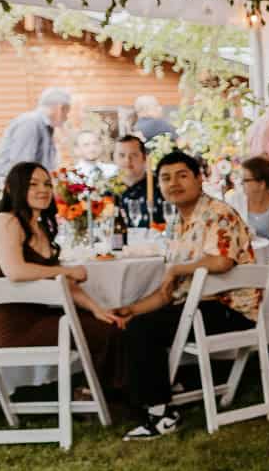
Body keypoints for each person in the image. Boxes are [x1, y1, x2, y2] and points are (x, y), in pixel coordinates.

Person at [111, 150, 259, 440]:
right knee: (133, 321)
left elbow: (222, 262)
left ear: (199, 179)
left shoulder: (217, 213)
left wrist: (178, 268)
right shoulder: (179, 224)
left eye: (182, 175)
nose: (173, 183)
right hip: (195, 308)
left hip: (228, 310)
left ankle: (162, 414)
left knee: (145, 329)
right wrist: (133, 308)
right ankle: (138, 399)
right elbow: (170, 294)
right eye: (166, 178)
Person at [0, 162, 124, 391]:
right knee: (106, 333)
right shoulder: (5, 221)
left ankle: (98, 392)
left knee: (110, 324)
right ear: (11, 188)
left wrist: (96, 309)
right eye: (33, 184)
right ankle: (99, 394)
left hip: (43, 317)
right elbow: (16, 271)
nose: (44, 190)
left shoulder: (40, 228)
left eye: (47, 184)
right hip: (17, 328)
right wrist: (66, 270)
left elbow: (63, 284)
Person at [224, 155, 269, 266]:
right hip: (242, 263)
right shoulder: (234, 201)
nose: (241, 184)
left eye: (246, 180)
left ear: (262, 184)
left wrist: (264, 258)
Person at [0, 87, 71, 168]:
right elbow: (22, 167)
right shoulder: (31, 123)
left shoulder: (46, 127)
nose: (66, 117)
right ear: (59, 108)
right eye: (67, 112)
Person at [112, 134, 163, 227]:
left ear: (144, 158)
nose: (127, 160)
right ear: (114, 158)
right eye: (121, 155)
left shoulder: (161, 187)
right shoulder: (107, 190)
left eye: (134, 155)